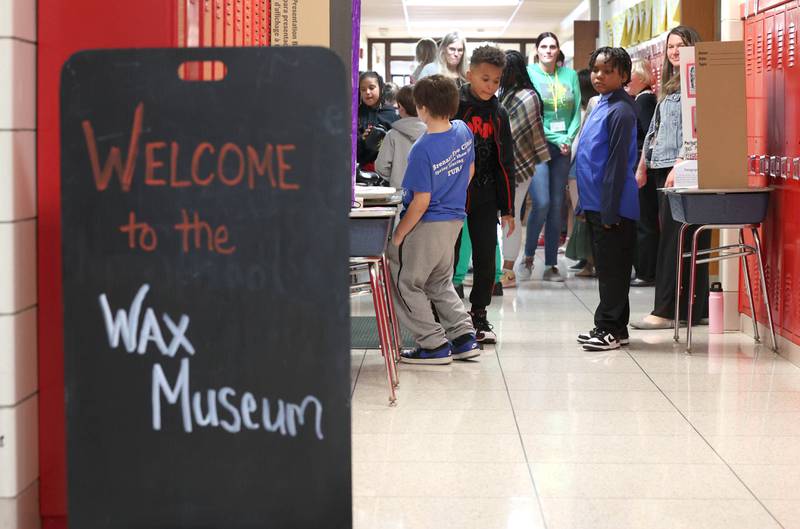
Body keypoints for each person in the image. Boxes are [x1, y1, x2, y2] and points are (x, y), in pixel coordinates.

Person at [387, 74, 479, 365]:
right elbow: (470, 171)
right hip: (453, 221)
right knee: (439, 282)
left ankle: (433, 344)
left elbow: (420, 201)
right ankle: (464, 337)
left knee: (406, 283)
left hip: (426, 224)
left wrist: (399, 235)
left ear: (422, 107)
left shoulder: (422, 150)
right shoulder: (463, 131)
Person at [631, 25, 707, 330]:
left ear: (693, 47)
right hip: (663, 165)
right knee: (680, 238)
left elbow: (699, 126)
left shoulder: (697, 81)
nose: (675, 51)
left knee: (676, 240)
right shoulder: (671, 84)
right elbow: (656, 128)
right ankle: (692, 309)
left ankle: (664, 310)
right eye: (671, 46)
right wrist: (642, 164)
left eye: (681, 45)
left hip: (682, 169)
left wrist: (682, 163)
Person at [575, 47, 639, 351]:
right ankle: (613, 326)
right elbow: (587, 155)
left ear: (623, 76)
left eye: (608, 71)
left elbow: (615, 165)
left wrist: (610, 210)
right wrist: (581, 202)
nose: (599, 76)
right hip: (595, 201)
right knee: (606, 266)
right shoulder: (599, 103)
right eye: (595, 70)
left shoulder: (622, 111)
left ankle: (609, 328)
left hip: (613, 205)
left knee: (613, 269)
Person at [453, 45, 515, 343]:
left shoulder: (499, 113)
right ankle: (446, 315)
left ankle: (479, 315)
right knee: (448, 257)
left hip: (486, 195)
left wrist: (508, 208)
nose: (490, 86)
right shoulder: (454, 105)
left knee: (486, 255)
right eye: (485, 78)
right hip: (452, 195)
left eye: (496, 81)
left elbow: (506, 163)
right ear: (470, 74)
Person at [519, 32, 582, 282]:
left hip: (562, 148)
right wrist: (557, 138)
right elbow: (531, 114)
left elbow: (577, 109)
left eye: (552, 46)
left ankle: (551, 264)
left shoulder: (570, 75)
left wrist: (567, 136)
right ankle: (528, 256)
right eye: (543, 46)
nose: (548, 50)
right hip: (537, 145)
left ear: (558, 50)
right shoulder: (529, 74)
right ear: (537, 50)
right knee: (542, 202)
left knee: (557, 204)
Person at [497, 50, 550, 288]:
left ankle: (508, 271)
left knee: (512, 214)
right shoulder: (505, 95)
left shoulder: (528, 96)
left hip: (518, 166)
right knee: (506, 216)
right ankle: (499, 268)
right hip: (500, 165)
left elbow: (521, 133)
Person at [565, 68, 599, 278]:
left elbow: (581, 139)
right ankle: (585, 259)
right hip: (581, 165)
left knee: (583, 213)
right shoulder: (587, 106)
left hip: (581, 165)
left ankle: (589, 261)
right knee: (580, 212)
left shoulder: (593, 104)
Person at [627, 58, 659, 287]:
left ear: (641, 78)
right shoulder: (640, 99)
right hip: (640, 164)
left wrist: (641, 167)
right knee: (642, 219)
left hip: (642, 167)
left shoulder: (645, 100)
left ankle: (646, 271)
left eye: (631, 75)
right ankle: (644, 269)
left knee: (644, 220)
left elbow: (649, 136)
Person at [375, 85, 427, 190]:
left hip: (400, 194)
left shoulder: (392, 135)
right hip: (428, 196)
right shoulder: (433, 132)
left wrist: (396, 176)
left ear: (400, 107)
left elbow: (381, 167)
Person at [357, 71, 399, 169]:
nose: (367, 92)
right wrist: (363, 140)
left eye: (371, 88)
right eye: (363, 89)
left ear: (381, 88)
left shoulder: (391, 115)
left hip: (386, 172)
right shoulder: (356, 115)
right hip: (361, 172)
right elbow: (349, 150)